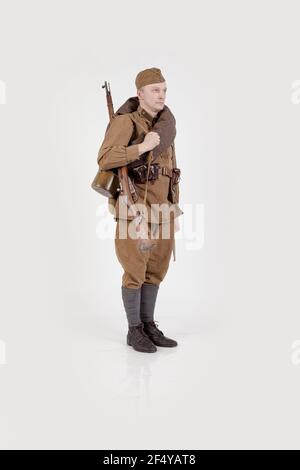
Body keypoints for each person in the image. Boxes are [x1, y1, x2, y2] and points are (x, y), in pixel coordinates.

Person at [97, 67, 183, 353]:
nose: (161, 94)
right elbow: (105, 157)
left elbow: (171, 171)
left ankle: (148, 325)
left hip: (162, 209)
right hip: (133, 209)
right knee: (135, 269)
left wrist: (174, 209)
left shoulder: (166, 125)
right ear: (140, 94)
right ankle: (134, 329)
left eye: (164, 89)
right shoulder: (126, 122)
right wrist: (141, 147)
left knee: (156, 269)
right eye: (155, 90)